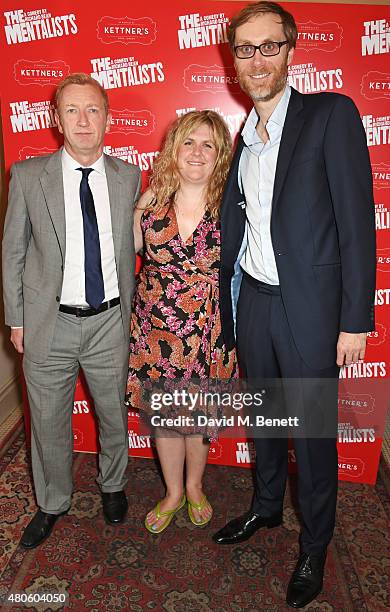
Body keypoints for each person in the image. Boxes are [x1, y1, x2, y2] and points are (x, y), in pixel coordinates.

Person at [212, 2, 376, 609]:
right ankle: (265, 508)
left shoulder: (330, 115)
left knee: (309, 435)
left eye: (268, 46)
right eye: (245, 49)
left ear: (290, 50)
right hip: (253, 302)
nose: (256, 60)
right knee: (266, 421)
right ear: (234, 61)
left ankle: (315, 542)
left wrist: (354, 320)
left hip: (309, 311)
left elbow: (358, 226)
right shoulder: (245, 135)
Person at [2, 73, 141, 548]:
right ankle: (52, 503)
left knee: (111, 414)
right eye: (72, 111)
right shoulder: (26, 175)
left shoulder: (129, 176)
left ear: (108, 118)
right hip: (47, 323)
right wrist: (17, 319)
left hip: (109, 321)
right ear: (55, 119)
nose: (83, 121)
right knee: (47, 420)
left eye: (93, 110)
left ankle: (114, 486)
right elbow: (13, 251)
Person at [126, 110, 237, 534]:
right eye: (189, 141)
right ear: (175, 148)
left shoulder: (232, 204)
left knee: (197, 418)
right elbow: (122, 253)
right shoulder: (150, 200)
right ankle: (172, 492)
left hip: (209, 329)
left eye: (208, 144)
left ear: (219, 154)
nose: (197, 152)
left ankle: (194, 487)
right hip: (156, 329)